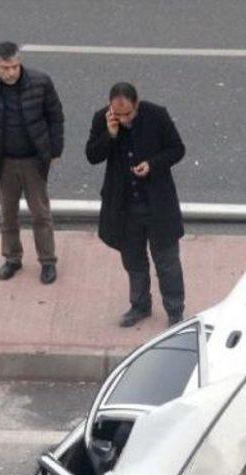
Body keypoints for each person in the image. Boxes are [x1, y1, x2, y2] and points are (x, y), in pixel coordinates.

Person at [85, 82, 186, 327]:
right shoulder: (103, 119)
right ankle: (139, 305)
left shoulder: (156, 115)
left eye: (128, 114)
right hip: (124, 206)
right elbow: (92, 156)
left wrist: (152, 164)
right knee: (133, 261)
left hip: (156, 204)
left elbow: (177, 149)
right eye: (117, 114)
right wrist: (109, 134)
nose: (123, 119)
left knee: (167, 260)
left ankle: (175, 311)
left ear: (137, 104)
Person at [0, 41, 64, 284]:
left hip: (34, 160)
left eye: (14, 66)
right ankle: (12, 258)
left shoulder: (40, 82)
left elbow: (55, 117)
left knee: (41, 214)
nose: (10, 72)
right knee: (7, 215)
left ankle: (48, 261)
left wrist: (55, 149)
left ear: (20, 63)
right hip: (3, 162)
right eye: (5, 68)